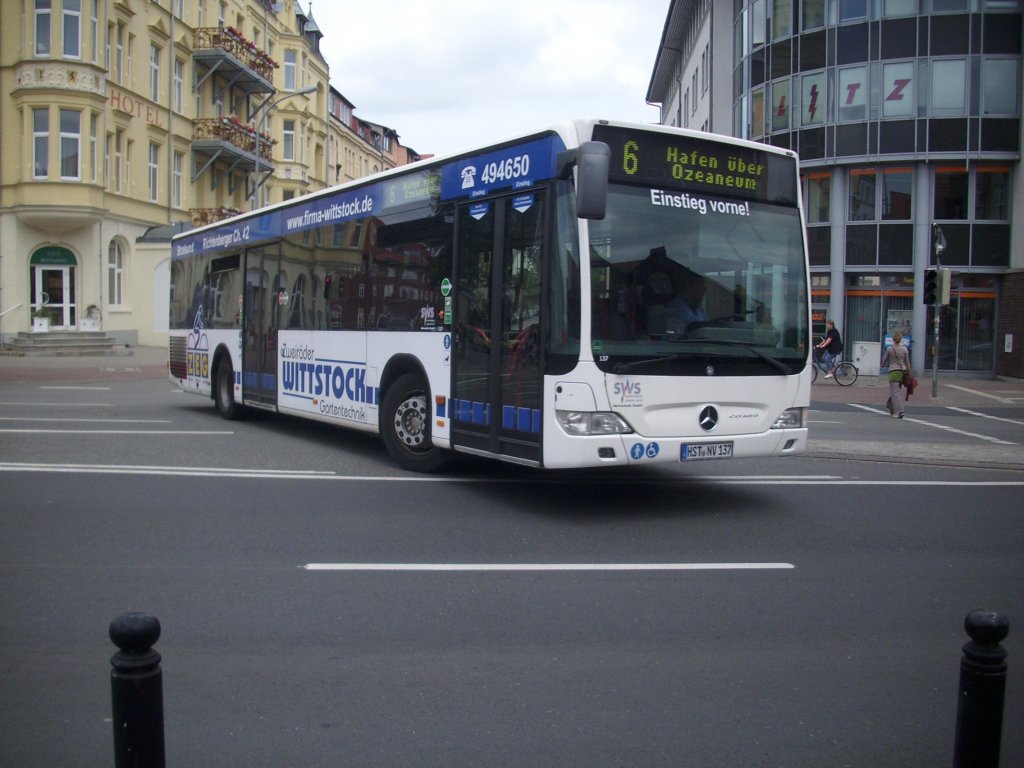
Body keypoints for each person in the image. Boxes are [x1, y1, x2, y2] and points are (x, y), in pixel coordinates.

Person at [882, 330, 912, 418]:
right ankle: (891, 405)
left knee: (895, 392)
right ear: (901, 339)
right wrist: (909, 373)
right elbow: (907, 362)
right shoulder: (904, 349)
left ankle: (899, 411)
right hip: (903, 372)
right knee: (897, 391)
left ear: (893, 339)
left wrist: (883, 365)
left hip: (894, 371)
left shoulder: (890, 349)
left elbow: (884, 361)